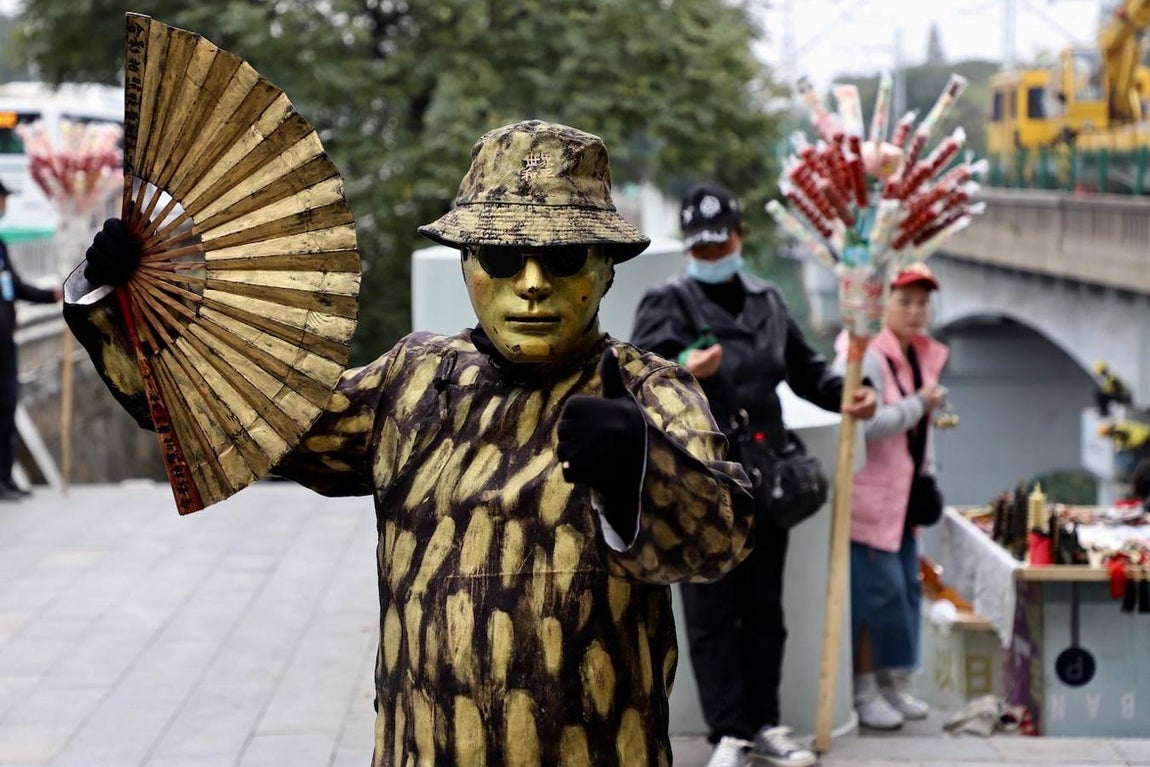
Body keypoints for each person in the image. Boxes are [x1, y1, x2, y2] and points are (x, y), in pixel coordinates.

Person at [63, 120, 756, 766]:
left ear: (606, 267)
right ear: (466, 264)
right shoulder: (414, 380)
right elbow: (252, 418)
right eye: (503, 257)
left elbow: (720, 537)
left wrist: (643, 467)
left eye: (563, 257)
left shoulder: (648, 390)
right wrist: (116, 304)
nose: (532, 284)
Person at [630, 182, 876, 767]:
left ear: (740, 237)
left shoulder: (767, 301)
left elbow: (807, 371)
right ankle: (728, 733)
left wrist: (851, 392)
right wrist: (683, 368)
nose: (712, 255)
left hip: (765, 475)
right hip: (699, 476)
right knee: (710, 609)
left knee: (766, 607)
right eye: (702, 247)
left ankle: (766, 723)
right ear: (689, 246)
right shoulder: (667, 302)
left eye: (721, 244)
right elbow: (634, 379)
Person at [832, 263, 948, 731]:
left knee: (901, 593)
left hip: (902, 499)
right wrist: (920, 404)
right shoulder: (865, 356)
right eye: (905, 302)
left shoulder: (916, 353)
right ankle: (863, 690)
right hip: (870, 498)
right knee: (872, 598)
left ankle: (892, 683)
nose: (916, 312)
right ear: (882, 304)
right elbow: (866, 421)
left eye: (922, 303)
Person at [0, 179, 63, 500]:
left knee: (8, 407)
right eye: (3, 198)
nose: (5, 205)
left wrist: (52, 295)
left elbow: (15, 287)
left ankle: (5, 477)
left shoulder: (0, 245)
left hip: (5, 345)